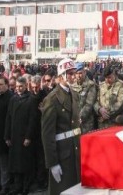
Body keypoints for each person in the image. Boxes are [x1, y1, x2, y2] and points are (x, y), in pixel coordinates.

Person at [41, 58, 81, 195]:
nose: (73, 76)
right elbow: (47, 134)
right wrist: (52, 163)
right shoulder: (52, 99)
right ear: (62, 75)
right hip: (62, 153)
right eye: (70, 73)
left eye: (74, 73)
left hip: (75, 150)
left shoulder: (74, 95)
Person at [4, 77, 39, 195]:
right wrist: (7, 136)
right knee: (16, 164)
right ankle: (18, 186)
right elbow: (8, 118)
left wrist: (28, 137)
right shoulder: (13, 99)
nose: (18, 89)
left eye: (21, 86)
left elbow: (32, 120)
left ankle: (26, 186)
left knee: (25, 164)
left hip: (24, 137)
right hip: (14, 136)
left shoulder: (31, 99)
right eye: (17, 86)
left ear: (25, 86)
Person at [94, 65, 123, 129]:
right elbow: (95, 101)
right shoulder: (101, 86)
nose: (107, 80)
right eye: (105, 78)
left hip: (114, 123)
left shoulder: (120, 85)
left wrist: (106, 114)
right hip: (102, 124)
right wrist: (99, 109)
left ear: (114, 75)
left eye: (109, 77)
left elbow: (120, 103)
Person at [72, 63, 98, 134]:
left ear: (84, 72)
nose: (78, 76)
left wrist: (80, 117)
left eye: (80, 73)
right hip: (74, 122)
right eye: (76, 73)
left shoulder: (91, 85)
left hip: (86, 123)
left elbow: (89, 104)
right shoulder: (72, 86)